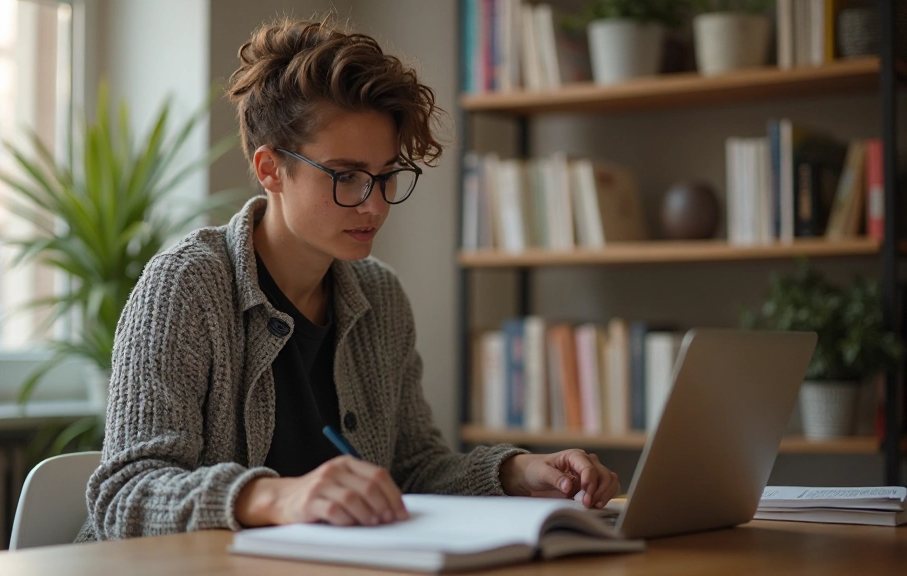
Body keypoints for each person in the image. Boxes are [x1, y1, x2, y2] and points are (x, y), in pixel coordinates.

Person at [78, 16, 619, 541]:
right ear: (270, 169)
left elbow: (412, 467)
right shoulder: (186, 286)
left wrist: (517, 472)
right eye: (347, 177)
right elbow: (125, 493)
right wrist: (276, 497)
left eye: (385, 177)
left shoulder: (378, 295)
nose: (374, 204)